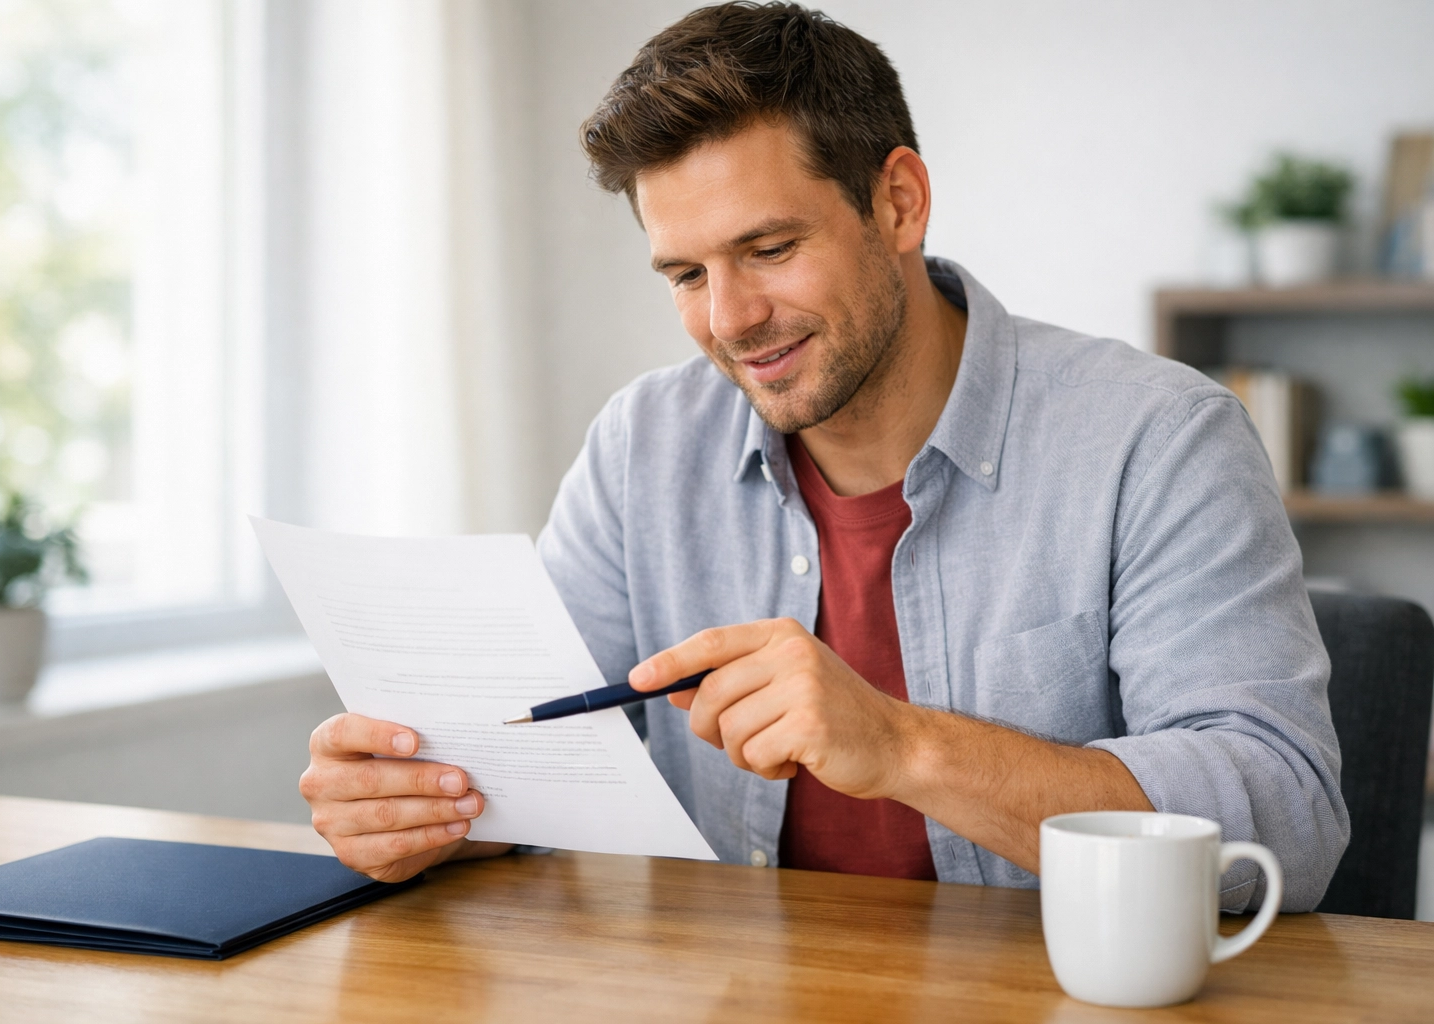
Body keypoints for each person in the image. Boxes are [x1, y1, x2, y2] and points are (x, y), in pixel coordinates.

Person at [299, 2, 1347, 911]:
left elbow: (1287, 826)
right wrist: (421, 810)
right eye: (685, 274)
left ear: (899, 202)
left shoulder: (1157, 438)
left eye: (769, 250)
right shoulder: (640, 447)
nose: (730, 319)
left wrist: (902, 745)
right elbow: (534, 766)